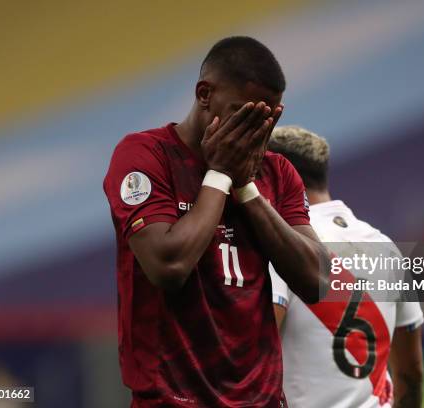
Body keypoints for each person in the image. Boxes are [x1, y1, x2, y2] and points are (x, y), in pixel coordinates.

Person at [103, 37, 329, 407]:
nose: (255, 131)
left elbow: (319, 281)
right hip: (172, 400)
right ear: (204, 94)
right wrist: (220, 174)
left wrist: (246, 188)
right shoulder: (145, 156)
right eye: (243, 114)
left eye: (266, 120)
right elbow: (168, 265)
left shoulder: (276, 172)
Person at [268, 126, 424, 408]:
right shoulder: (385, 246)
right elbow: (410, 373)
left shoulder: (282, 246)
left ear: (276, 177)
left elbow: (255, 359)